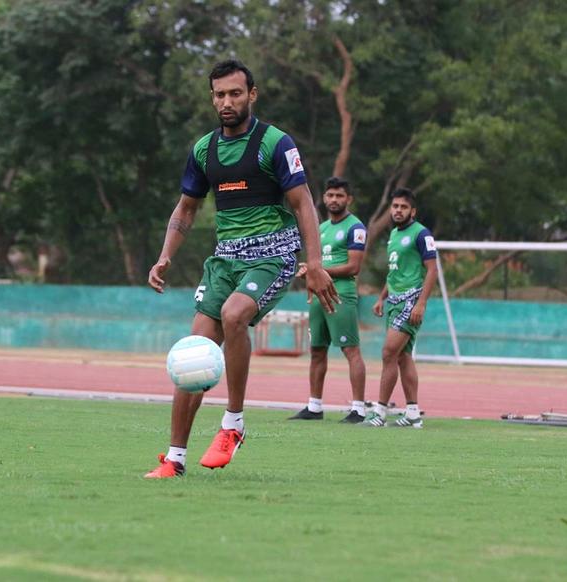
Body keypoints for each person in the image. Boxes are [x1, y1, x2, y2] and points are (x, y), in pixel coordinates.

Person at [145, 60, 339, 478]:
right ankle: (174, 459)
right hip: (225, 259)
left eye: (235, 93)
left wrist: (316, 262)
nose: (227, 101)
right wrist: (165, 255)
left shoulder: (276, 143)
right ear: (212, 98)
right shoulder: (204, 150)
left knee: (235, 315)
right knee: (194, 352)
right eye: (219, 95)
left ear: (252, 94)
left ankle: (233, 423)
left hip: (274, 254)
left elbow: (304, 202)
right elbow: (186, 209)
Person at [289, 176, 368, 423]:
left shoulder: (356, 228)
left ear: (349, 199)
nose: (334, 200)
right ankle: (314, 406)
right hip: (316, 296)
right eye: (331, 195)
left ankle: (358, 409)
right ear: (324, 198)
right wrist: (308, 272)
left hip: (340, 294)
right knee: (316, 350)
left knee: (350, 349)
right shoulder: (320, 229)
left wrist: (318, 272)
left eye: (340, 196)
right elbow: (316, 264)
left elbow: (354, 267)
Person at [362, 188, 437, 428]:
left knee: (388, 353)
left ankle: (380, 414)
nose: (398, 210)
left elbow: (432, 270)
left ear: (412, 211)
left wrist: (421, 303)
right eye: (395, 206)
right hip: (394, 302)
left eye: (403, 207)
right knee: (403, 357)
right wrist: (381, 297)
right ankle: (413, 414)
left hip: (410, 301)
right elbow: (395, 273)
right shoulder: (393, 234)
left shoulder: (421, 234)